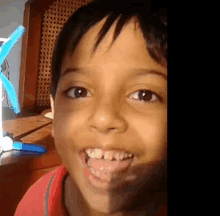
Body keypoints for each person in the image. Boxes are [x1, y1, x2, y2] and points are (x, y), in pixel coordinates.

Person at [15, 0, 167, 215]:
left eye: (144, 95)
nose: (103, 118)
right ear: (54, 110)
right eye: (79, 92)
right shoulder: (38, 202)